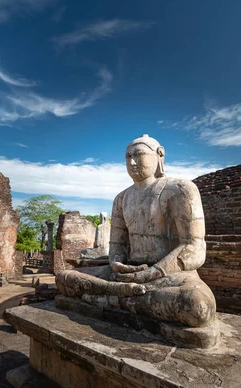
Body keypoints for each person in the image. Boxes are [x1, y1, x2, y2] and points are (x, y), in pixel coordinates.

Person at [56, 134, 216, 328]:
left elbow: (194, 246)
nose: (131, 162)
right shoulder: (121, 198)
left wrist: (153, 272)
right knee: (65, 277)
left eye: (138, 154)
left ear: (159, 155)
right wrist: (116, 264)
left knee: (197, 305)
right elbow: (117, 244)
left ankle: (109, 297)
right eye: (127, 157)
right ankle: (121, 294)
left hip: (169, 276)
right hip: (125, 274)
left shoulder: (181, 190)